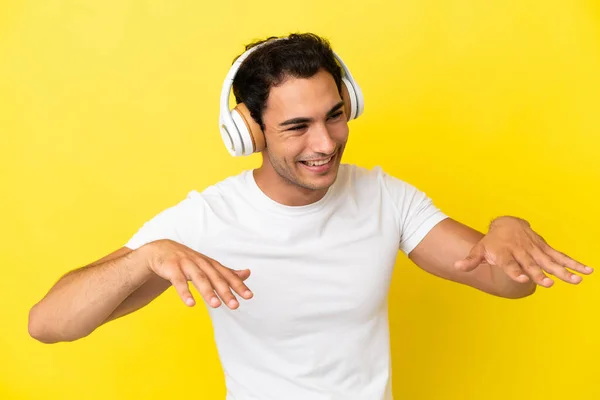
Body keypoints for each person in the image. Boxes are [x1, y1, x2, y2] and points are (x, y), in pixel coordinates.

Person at [28, 33, 592, 400]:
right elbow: (49, 325)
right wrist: (150, 255)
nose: (325, 143)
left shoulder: (383, 196)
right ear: (249, 131)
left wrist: (507, 230)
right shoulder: (209, 217)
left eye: (335, 116)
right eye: (297, 126)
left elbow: (505, 283)